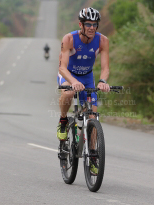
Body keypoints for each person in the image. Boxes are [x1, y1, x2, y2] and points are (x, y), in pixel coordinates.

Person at [57, 7, 110, 141]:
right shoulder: (69, 39)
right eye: (88, 24)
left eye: (94, 24)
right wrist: (73, 82)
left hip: (87, 77)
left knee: (92, 118)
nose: (92, 28)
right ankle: (63, 121)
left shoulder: (103, 41)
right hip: (69, 75)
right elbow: (62, 68)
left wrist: (102, 81)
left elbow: (105, 68)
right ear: (81, 24)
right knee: (68, 92)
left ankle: (92, 157)